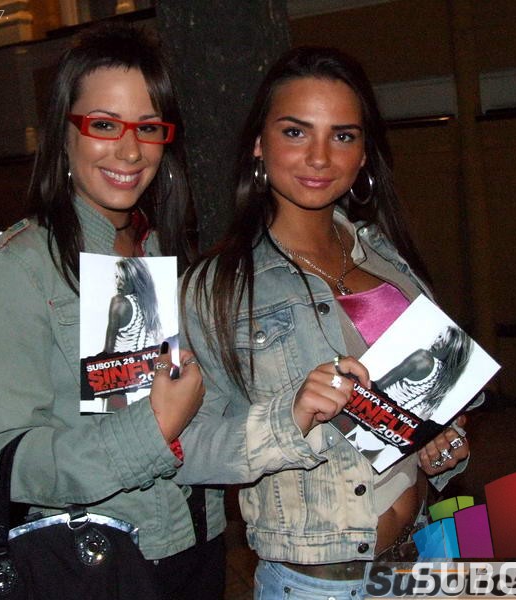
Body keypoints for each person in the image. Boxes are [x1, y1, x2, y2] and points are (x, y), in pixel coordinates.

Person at [179, 47, 471, 598]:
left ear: (363, 154)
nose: (319, 157)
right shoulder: (216, 288)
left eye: (342, 135)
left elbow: (433, 405)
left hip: (421, 559)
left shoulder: (387, 259)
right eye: (296, 132)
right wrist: (288, 419)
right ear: (259, 144)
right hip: (319, 585)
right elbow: (181, 449)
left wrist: (444, 444)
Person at [0, 24, 226, 599]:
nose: (130, 151)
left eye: (148, 128)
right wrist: (151, 431)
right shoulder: (20, 268)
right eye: (104, 125)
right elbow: (7, 460)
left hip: (200, 541)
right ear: (63, 132)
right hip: (99, 561)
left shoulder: (162, 249)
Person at [376, 326, 473, 420]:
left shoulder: (423, 357)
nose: (437, 343)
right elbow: (424, 417)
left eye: (446, 344)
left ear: (453, 353)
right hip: (394, 423)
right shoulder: (445, 383)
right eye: (440, 337)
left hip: (376, 407)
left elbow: (379, 385)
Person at [103, 257, 162, 353]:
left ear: (135, 280)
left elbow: (107, 351)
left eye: (124, 278)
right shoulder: (150, 306)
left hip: (121, 361)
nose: (118, 283)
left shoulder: (118, 302)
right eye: (117, 276)